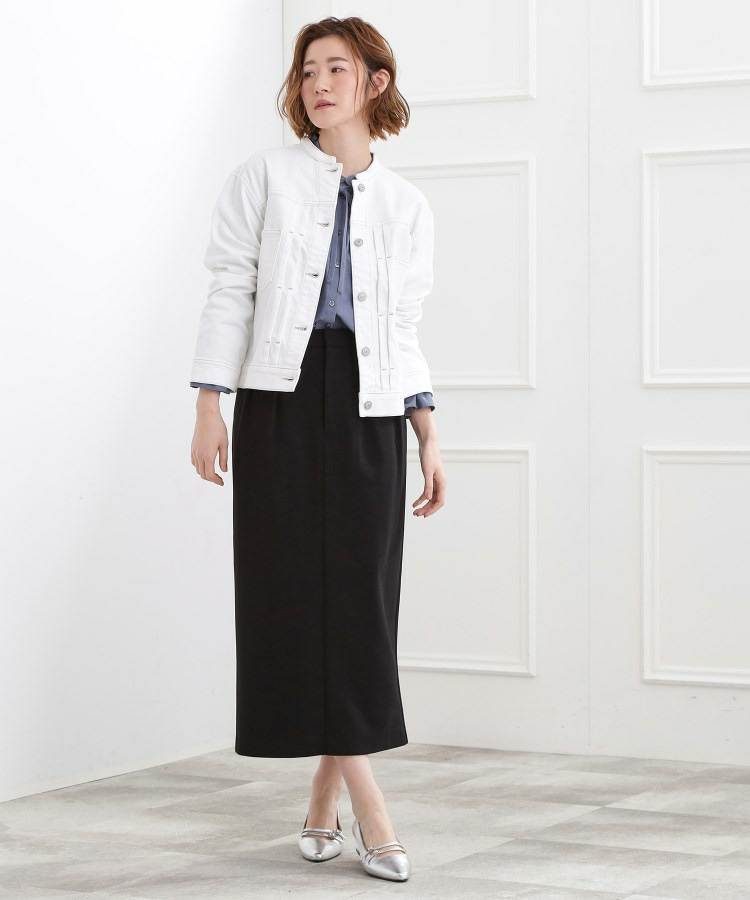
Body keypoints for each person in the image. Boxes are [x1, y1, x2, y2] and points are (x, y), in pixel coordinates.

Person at [189, 15, 446, 884]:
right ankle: (374, 809)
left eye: (337, 68)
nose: (318, 84)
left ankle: (326, 799)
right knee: (292, 595)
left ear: (376, 81)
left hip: (373, 404)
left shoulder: (407, 205)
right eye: (307, 71)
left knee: (361, 605)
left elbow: (402, 326)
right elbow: (232, 287)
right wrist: (210, 402)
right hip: (280, 398)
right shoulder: (262, 176)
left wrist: (427, 432)